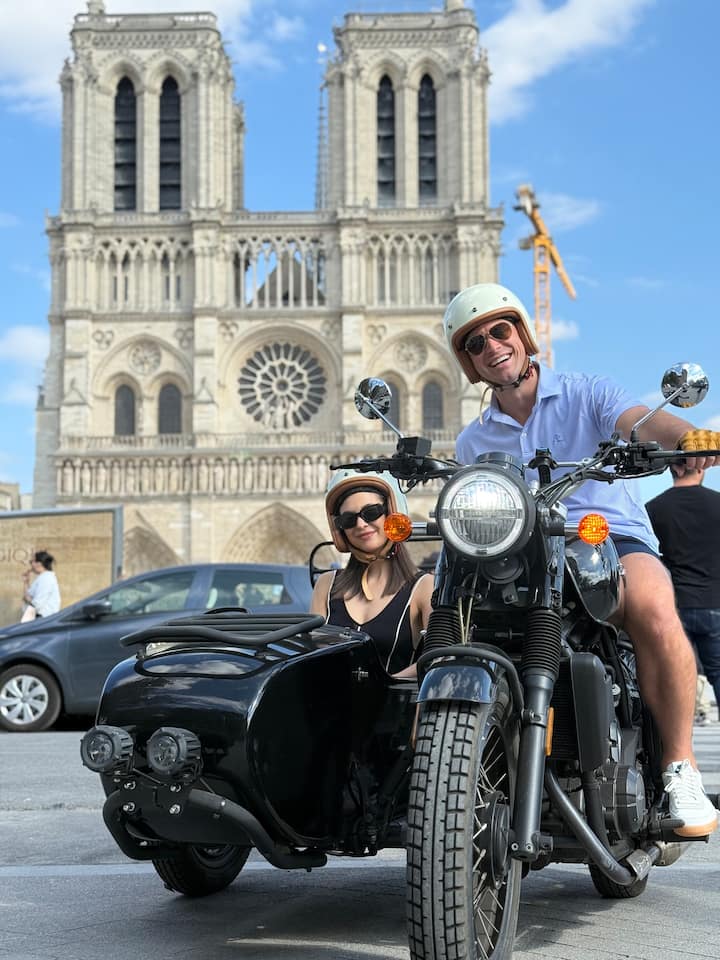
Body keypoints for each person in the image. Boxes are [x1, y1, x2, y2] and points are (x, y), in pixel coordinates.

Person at [443, 281, 720, 837]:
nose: (492, 346)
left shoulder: (586, 393)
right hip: (521, 554)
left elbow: (638, 421)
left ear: (522, 333)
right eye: (475, 343)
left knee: (653, 603)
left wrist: (687, 436)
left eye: (500, 330)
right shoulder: (472, 442)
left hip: (604, 538)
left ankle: (680, 767)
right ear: (469, 362)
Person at [310, 469, 434, 678]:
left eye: (371, 512)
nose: (361, 524)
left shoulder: (423, 587)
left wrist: (381, 685)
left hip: (396, 699)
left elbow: (437, 656)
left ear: (392, 513)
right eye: (348, 519)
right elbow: (309, 659)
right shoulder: (326, 584)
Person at [646, 467, 720, 723]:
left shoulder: (654, 507)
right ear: (701, 467)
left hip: (674, 606)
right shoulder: (717, 503)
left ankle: (674, 739)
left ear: (673, 468)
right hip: (714, 603)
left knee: (672, 674)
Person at [22, 550, 61, 618]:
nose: (31, 565)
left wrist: (27, 598)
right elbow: (29, 595)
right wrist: (26, 582)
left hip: (42, 618)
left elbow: (37, 603)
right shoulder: (42, 577)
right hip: (38, 617)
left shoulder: (46, 578)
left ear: (39, 563)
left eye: (31, 562)